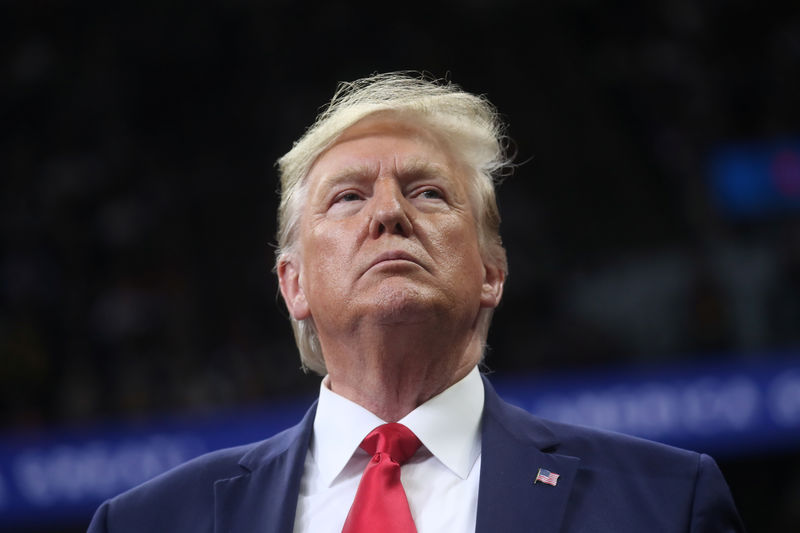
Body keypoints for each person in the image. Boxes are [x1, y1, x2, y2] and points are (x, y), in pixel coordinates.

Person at [88, 72, 745, 532]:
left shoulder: (664, 504)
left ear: (492, 270)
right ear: (294, 284)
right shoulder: (147, 522)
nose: (389, 213)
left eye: (428, 191)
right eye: (348, 196)